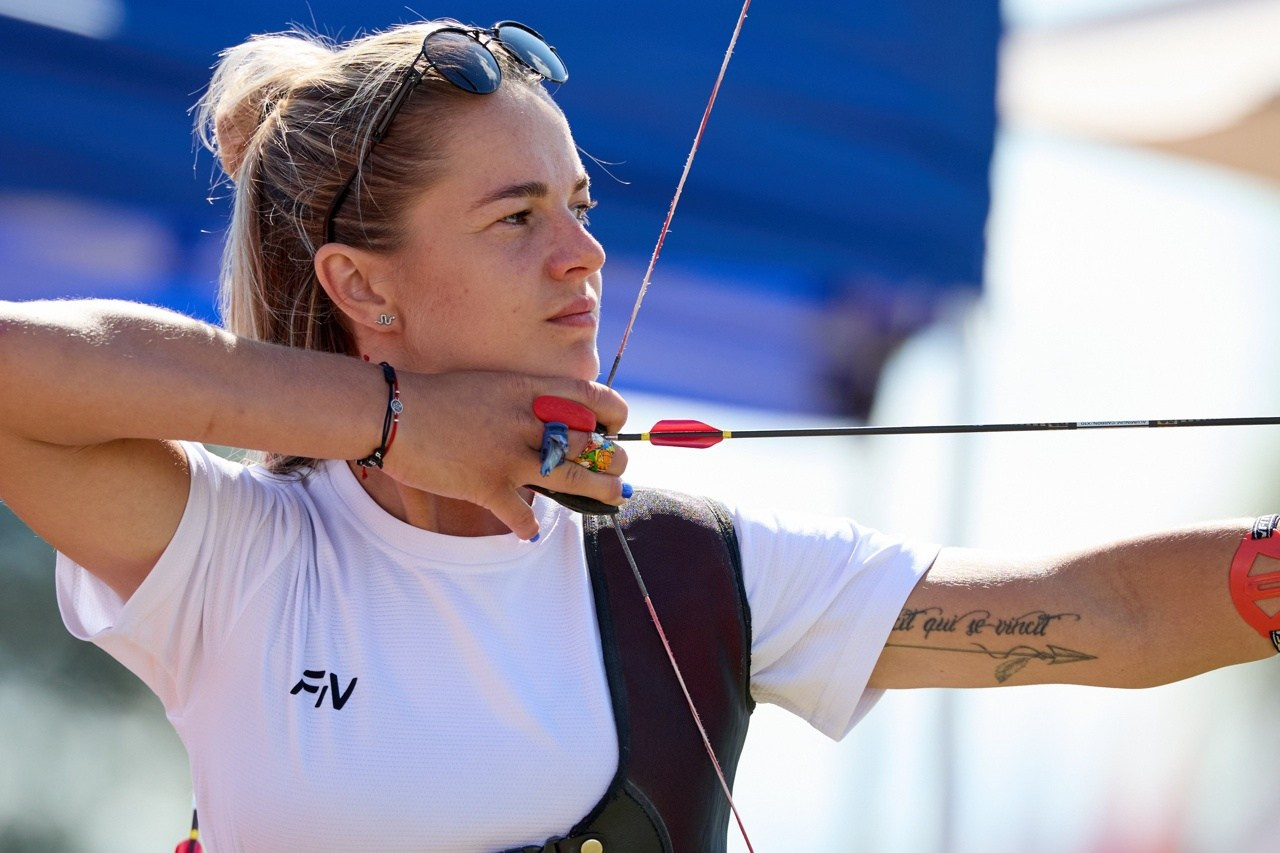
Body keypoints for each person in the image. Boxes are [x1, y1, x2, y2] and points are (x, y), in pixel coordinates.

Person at [0, 17, 1274, 853]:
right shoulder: (239, 557)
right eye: (516, 218)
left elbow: (1106, 612)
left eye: (579, 204)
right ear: (363, 287)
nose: (583, 253)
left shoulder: (693, 568)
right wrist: (395, 424)